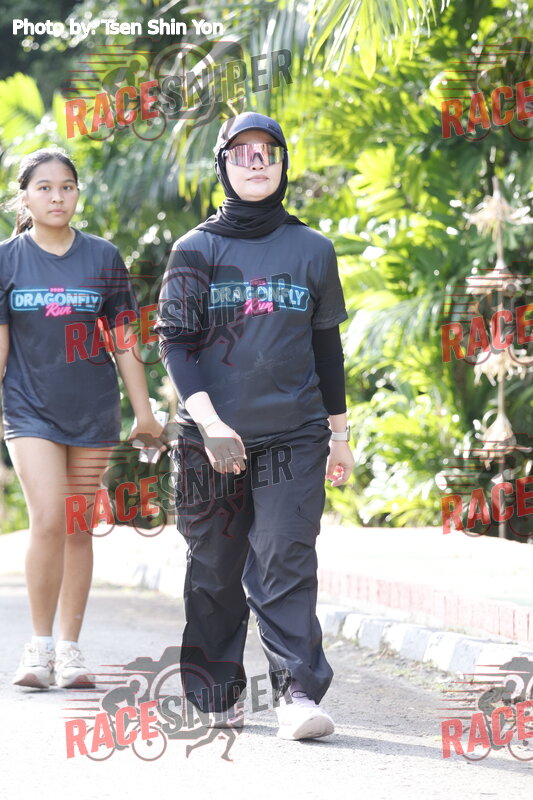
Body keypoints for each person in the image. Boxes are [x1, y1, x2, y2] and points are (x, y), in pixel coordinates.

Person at [155, 112, 354, 740]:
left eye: (268, 151)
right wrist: (211, 423)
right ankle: (215, 691)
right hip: (209, 437)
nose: (257, 162)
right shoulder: (195, 249)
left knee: (284, 555)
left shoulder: (313, 249)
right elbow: (176, 344)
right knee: (215, 566)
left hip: (295, 432)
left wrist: (340, 436)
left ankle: (298, 692)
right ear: (224, 166)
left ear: (283, 163)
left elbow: (327, 350)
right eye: (242, 153)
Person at [0, 147, 162, 690]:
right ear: (24, 197)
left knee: (77, 523)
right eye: (44, 187)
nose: (57, 197)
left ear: (77, 194)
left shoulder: (102, 257)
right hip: (28, 410)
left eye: (67, 187)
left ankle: (70, 649)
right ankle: (39, 646)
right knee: (48, 517)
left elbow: (124, 340)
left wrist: (144, 413)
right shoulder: (7, 260)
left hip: (93, 410)